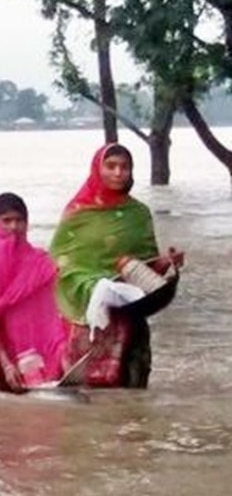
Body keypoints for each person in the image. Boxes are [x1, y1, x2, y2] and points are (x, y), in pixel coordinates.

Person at [48, 143, 184, 388]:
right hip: (86, 312)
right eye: (111, 166)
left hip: (130, 311)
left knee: (133, 393)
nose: (118, 173)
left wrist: (167, 262)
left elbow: (146, 267)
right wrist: (93, 285)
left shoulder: (138, 213)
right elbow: (60, 264)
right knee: (85, 396)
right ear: (96, 169)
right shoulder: (77, 213)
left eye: (125, 167)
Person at [0, 193, 69, 392]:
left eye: (19, 220)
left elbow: (53, 312)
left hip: (40, 346)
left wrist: (61, 349)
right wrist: (6, 363)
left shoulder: (41, 263)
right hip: (0, 348)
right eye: (6, 221)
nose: (14, 227)